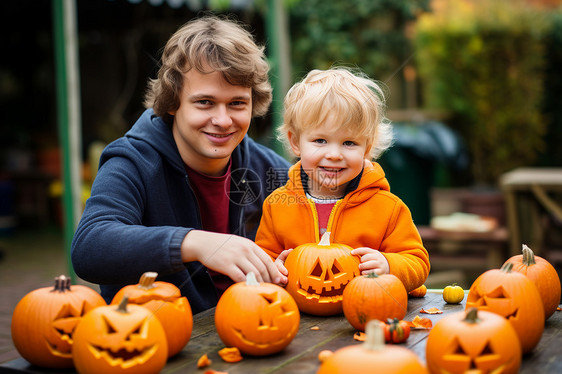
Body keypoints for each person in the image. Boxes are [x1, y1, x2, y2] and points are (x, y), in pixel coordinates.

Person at [71, 15, 290, 313]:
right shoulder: (130, 161)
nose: (223, 120)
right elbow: (89, 248)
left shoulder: (269, 168)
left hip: (256, 328)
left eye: (237, 103)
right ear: (173, 102)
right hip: (152, 338)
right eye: (205, 102)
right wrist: (196, 243)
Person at [255, 67, 430, 292]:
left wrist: (388, 265)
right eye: (320, 140)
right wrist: (272, 269)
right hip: (299, 319)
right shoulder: (277, 205)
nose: (335, 154)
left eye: (349, 143)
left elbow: (417, 262)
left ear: (367, 147)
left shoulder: (387, 208)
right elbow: (263, 257)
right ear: (296, 142)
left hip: (368, 312)